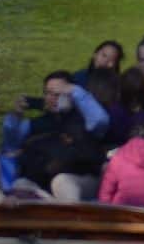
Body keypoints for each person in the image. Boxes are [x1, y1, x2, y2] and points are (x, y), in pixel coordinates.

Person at [13, 72, 104, 200]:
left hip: (81, 178)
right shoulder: (40, 122)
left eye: (57, 94)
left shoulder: (86, 119)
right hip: (46, 181)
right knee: (20, 184)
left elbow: (100, 120)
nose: (51, 98)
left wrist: (74, 91)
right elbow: (11, 143)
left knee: (61, 182)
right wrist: (16, 117)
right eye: (47, 93)